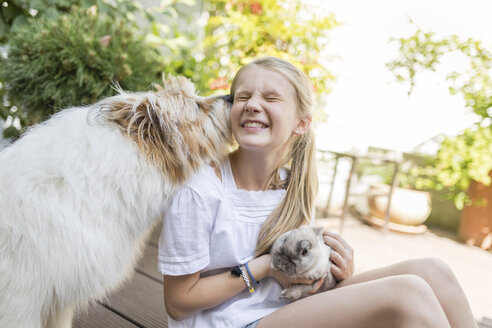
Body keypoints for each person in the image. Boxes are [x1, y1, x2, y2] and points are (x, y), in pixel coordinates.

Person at [158, 57, 477, 328]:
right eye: (242, 97)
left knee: (433, 271)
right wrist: (267, 266)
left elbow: (299, 275)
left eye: (270, 98)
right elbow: (178, 302)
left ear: (301, 123)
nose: (253, 105)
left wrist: (331, 269)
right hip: (230, 322)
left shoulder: (292, 184)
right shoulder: (199, 191)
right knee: (408, 292)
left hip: (281, 311)